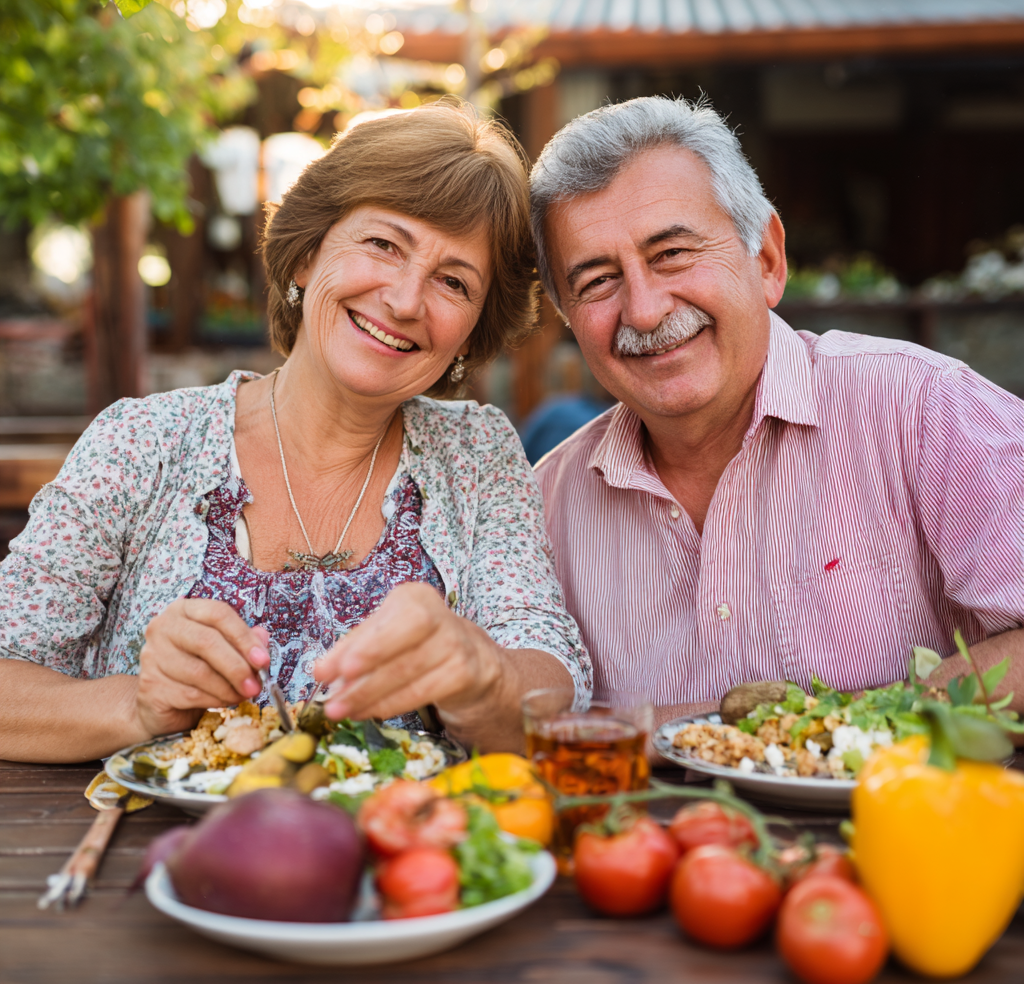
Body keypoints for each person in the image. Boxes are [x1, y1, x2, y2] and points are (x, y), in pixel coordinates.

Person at [0, 103, 591, 763]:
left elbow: (551, 682)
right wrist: (135, 704)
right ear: (309, 254)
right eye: (383, 245)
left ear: (474, 330)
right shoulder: (142, 443)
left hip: (397, 856)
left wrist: (485, 675)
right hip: (159, 859)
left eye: (453, 281)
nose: (403, 299)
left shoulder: (478, 455)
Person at [531, 96, 1024, 726]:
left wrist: (857, 727)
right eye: (597, 280)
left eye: (672, 254)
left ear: (766, 259)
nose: (645, 310)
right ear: (568, 318)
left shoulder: (920, 409)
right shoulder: (544, 504)